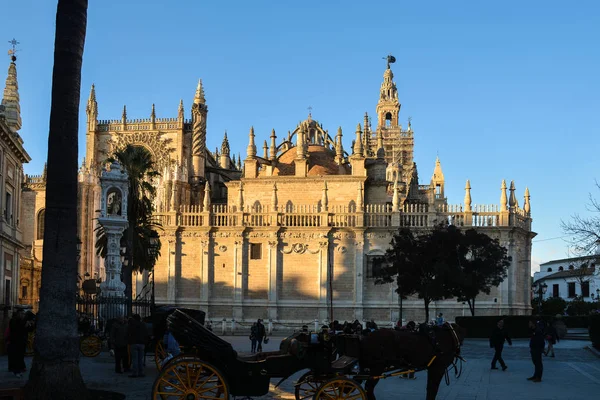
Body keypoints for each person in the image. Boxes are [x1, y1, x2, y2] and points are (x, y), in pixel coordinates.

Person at [127, 314, 148, 378]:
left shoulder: (131, 325)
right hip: (141, 343)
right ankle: (141, 372)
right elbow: (146, 333)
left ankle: (134, 373)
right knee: (140, 359)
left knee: (134, 359)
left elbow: (128, 333)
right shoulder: (143, 325)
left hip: (134, 343)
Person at [7, 310, 27, 377]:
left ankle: (18, 370)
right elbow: (16, 330)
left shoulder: (21, 321)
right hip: (15, 342)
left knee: (19, 357)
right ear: (18, 314)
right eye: (22, 314)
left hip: (20, 342)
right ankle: (16, 371)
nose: (23, 315)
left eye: (24, 314)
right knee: (16, 357)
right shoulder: (14, 320)